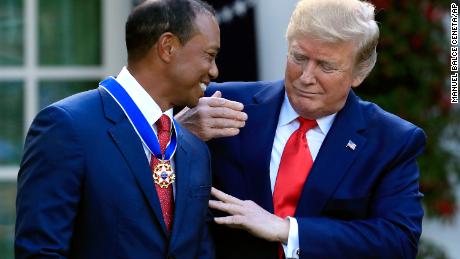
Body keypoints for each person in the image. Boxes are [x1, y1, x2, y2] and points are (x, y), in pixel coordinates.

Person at [176, 0, 426, 258]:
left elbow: (398, 241)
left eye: (326, 66)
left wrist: (288, 230)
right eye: (299, 57)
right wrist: (178, 134)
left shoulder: (391, 141)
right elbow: (156, 193)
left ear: (359, 73)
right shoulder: (224, 104)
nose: (306, 77)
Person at [15, 0, 220, 258]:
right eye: (209, 56)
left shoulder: (194, 150)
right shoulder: (67, 127)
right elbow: (41, 252)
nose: (214, 71)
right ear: (167, 47)